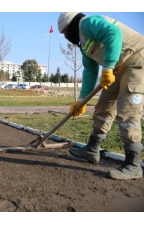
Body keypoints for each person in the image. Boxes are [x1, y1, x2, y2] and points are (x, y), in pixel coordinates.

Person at [57, 12, 144, 180]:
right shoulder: (83, 44)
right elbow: (89, 71)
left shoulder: (87, 23)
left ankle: (133, 164)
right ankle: (91, 150)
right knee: (103, 107)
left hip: (137, 62)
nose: (65, 37)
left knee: (127, 112)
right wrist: (82, 101)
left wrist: (107, 68)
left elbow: (114, 33)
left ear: (69, 27)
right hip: (118, 69)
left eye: (64, 33)